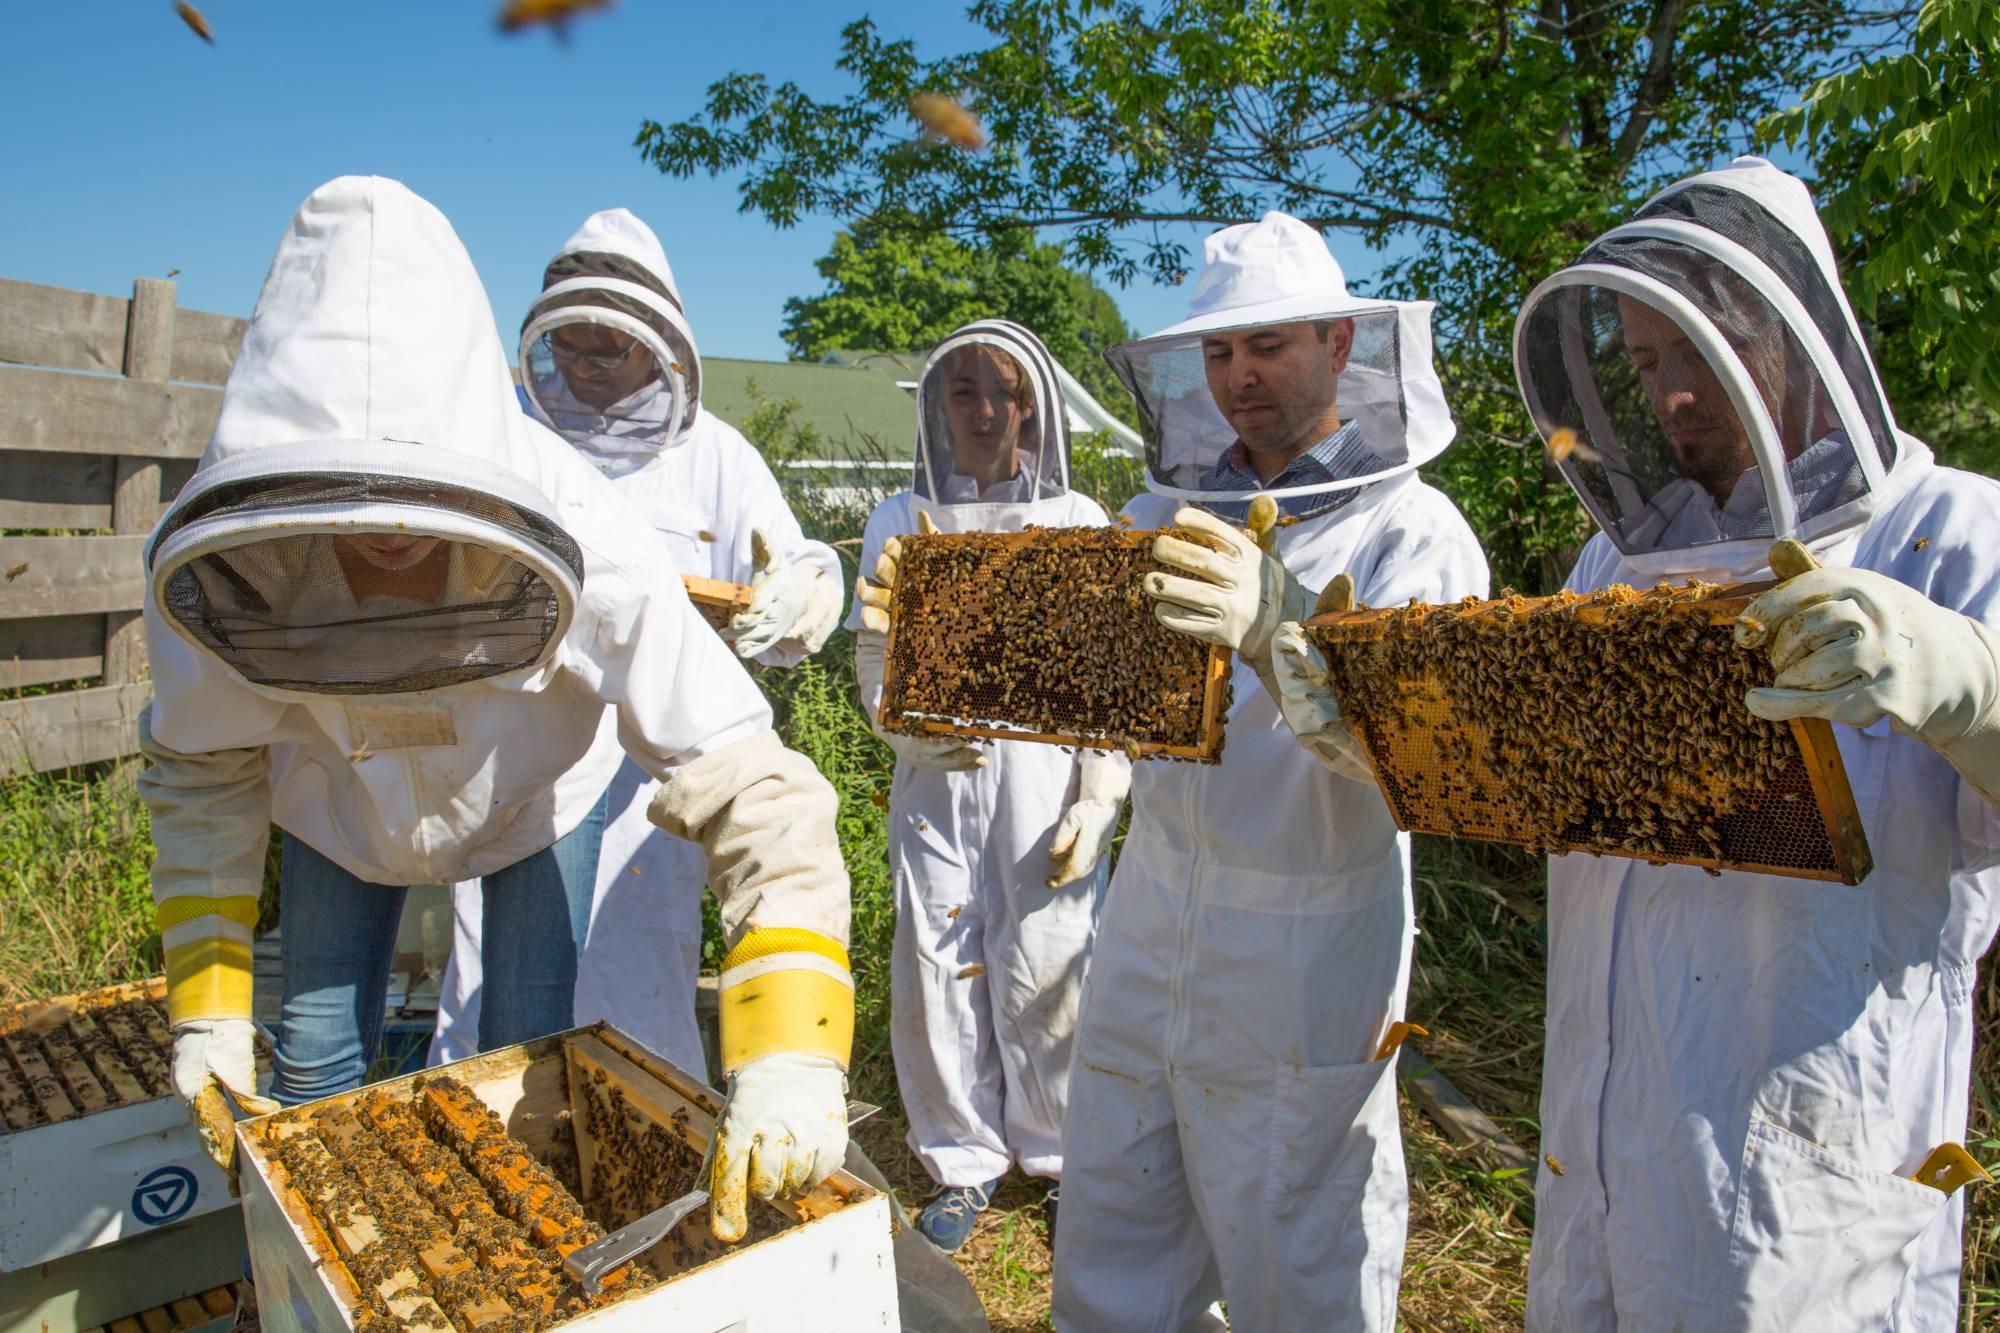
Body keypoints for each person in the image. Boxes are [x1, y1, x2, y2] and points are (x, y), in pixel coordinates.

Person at [1276, 156, 2000, 1328]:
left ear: (1792, 333)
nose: (1669, 398)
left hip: (1812, 1158)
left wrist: (1965, 685)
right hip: (1600, 1127)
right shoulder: (1618, 562)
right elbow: (1543, 782)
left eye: (1697, 355)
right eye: (1648, 362)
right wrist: (1373, 735)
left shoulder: (1953, 532)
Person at [143, 176, 854, 1245]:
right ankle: (302, 1278)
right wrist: (205, 1000)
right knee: (315, 1052)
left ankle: (515, 1254)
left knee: (530, 1052)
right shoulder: (224, 547)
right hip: (337, 803)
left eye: (410, 496)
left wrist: (794, 1044)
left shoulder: (582, 521)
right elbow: (202, 770)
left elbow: (752, 781)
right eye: (351, 504)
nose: (387, 539)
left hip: (532, 797)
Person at [1050, 212, 1489, 1331]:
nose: (1238, 376)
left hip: (1305, 947)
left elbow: (1430, 767)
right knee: (1113, 1231)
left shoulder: (1413, 533)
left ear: (1341, 344)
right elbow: (1096, 695)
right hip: (1145, 918)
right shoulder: (1160, 513)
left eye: (1268, 346)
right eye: (1216, 353)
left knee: (1302, 1255)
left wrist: (1279, 635)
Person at [430, 208, 843, 1075]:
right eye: (569, 347)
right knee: (492, 1004)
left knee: (644, 988)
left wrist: (804, 591)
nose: (582, 368)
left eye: (604, 349)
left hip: (655, 789)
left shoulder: (716, 458)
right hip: (517, 765)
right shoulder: (501, 435)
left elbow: (795, 555)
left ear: (656, 345)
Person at [848, 320, 1129, 1252]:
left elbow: (1108, 684)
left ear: (1031, 407)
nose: (978, 410)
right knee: (935, 955)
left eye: (997, 391)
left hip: (1043, 778)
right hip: (935, 784)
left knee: (1050, 956)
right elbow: (874, 655)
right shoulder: (897, 519)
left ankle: (1059, 1158)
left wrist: (1099, 794)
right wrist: (905, 731)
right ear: (936, 407)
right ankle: (962, 1158)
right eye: (959, 391)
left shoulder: (1077, 522)